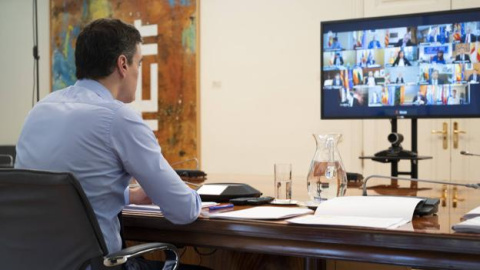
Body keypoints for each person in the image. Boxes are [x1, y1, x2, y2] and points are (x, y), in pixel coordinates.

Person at [14, 18, 203, 270]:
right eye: (139, 63)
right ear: (122, 64)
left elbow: (59, 190)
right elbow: (183, 211)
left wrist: (127, 195)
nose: (138, 72)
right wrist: (201, 199)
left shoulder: (40, 110)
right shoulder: (118, 118)